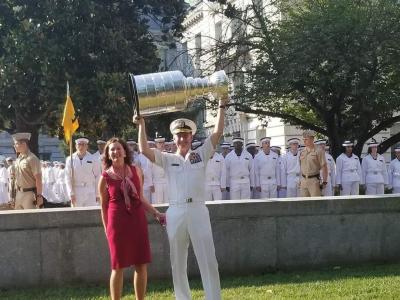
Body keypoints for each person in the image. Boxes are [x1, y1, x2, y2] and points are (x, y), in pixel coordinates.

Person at [135, 96, 226, 300]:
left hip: (198, 210)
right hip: (175, 211)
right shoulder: (168, 159)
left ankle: (213, 297)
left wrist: (222, 104)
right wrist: (141, 124)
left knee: (208, 258)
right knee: (177, 260)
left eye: (186, 135)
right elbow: (144, 150)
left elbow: (218, 132)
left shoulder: (201, 154)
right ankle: (182, 298)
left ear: (192, 137)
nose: (183, 139)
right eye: (179, 135)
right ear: (173, 139)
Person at [98, 137, 165, 300]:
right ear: (107, 154)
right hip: (117, 224)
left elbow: (141, 198)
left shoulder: (136, 171)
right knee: (118, 266)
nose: (115, 152)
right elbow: (104, 207)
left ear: (125, 151)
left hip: (137, 221)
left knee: (141, 264)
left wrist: (156, 213)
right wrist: (107, 230)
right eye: (112, 149)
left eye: (118, 148)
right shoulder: (104, 177)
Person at [65, 137, 101, 207]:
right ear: (76, 146)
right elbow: (67, 177)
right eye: (79, 144)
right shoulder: (70, 159)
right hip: (76, 191)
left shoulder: (93, 158)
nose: (81, 146)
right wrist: (71, 193)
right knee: (77, 215)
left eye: (83, 144)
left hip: (90, 190)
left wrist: (97, 194)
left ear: (87, 146)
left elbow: (98, 176)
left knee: (91, 213)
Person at [12, 132, 43, 209]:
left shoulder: (32, 158)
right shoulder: (19, 158)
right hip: (19, 193)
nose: (14, 146)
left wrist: (39, 195)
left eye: (16, 144)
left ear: (24, 144)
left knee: (30, 219)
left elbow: (38, 179)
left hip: (29, 194)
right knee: (17, 219)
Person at [299, 130, 328, 197]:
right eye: (304, 139)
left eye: (306, 139)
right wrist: (300, 180)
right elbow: (301, 167)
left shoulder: (319, 151)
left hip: (314, 181)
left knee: (316, 203)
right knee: (304, 204)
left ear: (312, 139)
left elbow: (324, 167)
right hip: (303, 181)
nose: (304, 141)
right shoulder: (302, 152)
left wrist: (324, 182)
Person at [152, 137, 168, 204]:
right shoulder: (152, 154)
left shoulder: (168, 154)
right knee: (158, 202)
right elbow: (149, 170)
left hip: (167, 182)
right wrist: (151, 183)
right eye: (159, 143)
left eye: (162, 142)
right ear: (156, 144)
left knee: (167, 201)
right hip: (157, 183)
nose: (161, 144)